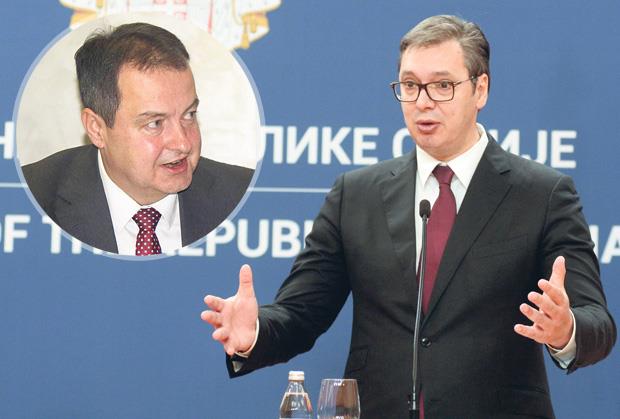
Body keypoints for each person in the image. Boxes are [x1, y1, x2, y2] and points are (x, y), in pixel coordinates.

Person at [201, 15, 616, 418]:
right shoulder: (356, 195)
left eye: (442, 85)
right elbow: (301, 314)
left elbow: (597, 323)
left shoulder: (541, 195)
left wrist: (565, 330)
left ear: (480, 89)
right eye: (411, 85)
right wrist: (253, 333)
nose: (423, 102)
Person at [22, 22, 253, 255]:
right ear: (96, 129)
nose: (183, 143)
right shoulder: (30, 199)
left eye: (189, 115)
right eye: (155, 123)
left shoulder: (245, 197)